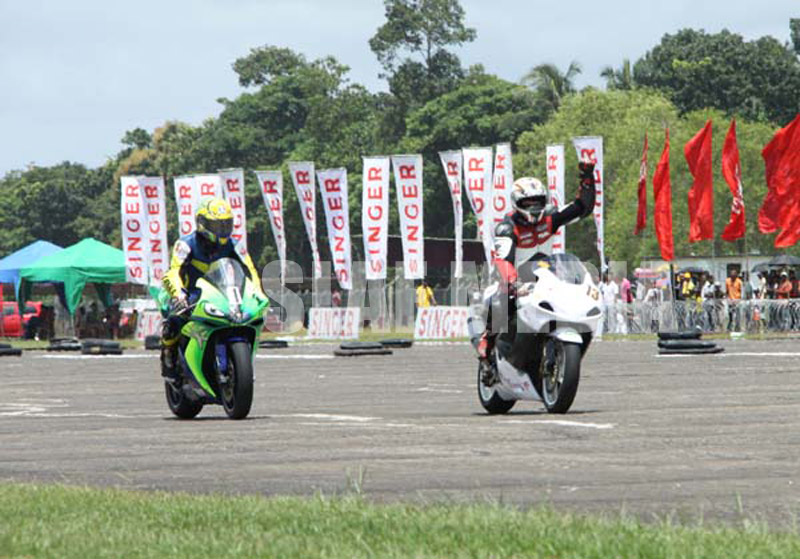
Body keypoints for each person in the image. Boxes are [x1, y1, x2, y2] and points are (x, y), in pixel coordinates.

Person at [476, 157, 596, 360]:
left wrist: (587, 178)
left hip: (546, 273)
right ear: (517, 203)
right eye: (527, 203)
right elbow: (503, 260)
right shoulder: (507, 228)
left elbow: (583, 207)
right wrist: (513, 283)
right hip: (517, 278)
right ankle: (488, 338)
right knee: (502, 299)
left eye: (538, 201)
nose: (534, 207)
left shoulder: (551, 217)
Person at [160, 198, 266, 379]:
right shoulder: (185, 244)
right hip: (189, 293)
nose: (223, 230)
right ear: (202, 223)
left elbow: (250, 270)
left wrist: (257, 292)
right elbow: (173, 272)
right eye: (217, 225)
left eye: (226, 224)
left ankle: (238, 365)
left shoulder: (234, 244)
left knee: (244, 318)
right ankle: (168, 355)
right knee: (174, 321)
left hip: (221, 292)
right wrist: (178, 294)